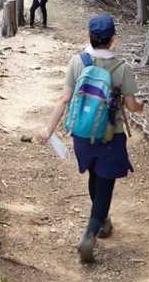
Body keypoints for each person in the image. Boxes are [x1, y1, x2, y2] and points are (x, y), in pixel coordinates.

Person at [38, 14, 143, 264]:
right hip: (110, 136)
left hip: (83, 136)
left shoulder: (78, 62)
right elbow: (131, 106)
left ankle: (103, 221)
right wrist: (141, 106)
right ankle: (90, 233)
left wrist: (48, 130)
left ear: (89, 36)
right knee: (105, 185)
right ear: (113, 39)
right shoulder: (122, 68)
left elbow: (65, 99)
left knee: (94, 175)